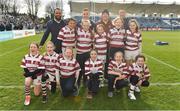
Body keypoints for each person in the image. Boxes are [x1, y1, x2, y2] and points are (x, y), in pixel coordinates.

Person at [76, 20, 94, 87]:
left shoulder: (91, 33)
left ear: (89, 25)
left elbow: (93, 43)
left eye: (87, 25)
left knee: (86, 68)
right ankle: (78, 81)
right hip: (79, 53)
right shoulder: (78, 31)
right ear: (82, 25)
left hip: (87, 53)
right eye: (84, 25)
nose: (86, 26)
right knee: (79, 68)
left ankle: (85, 81)